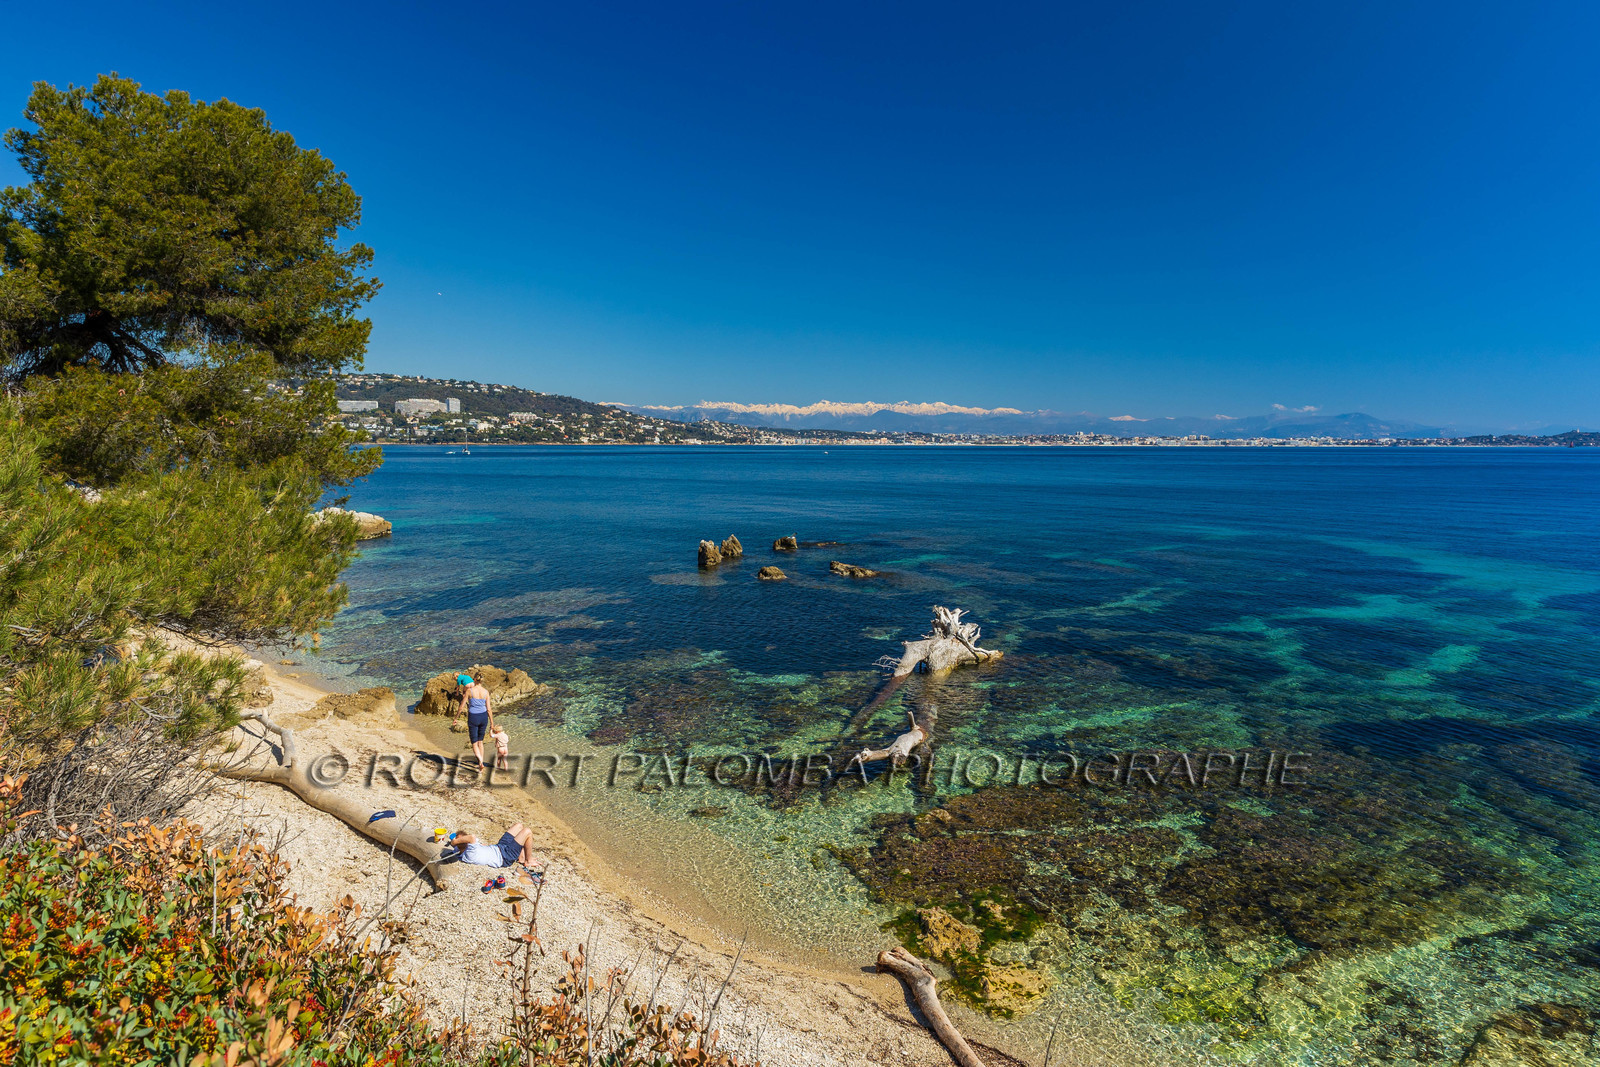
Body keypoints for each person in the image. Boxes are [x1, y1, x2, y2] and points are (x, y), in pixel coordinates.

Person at [445, 822, 542, 870]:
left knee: (519, 825)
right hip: (505, 857)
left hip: (499, 847)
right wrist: (454, 842)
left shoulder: (460, 849)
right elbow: (472, 837)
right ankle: (528, 860)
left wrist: (454, 842)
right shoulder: (470, 853)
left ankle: (521, 857)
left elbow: (470, 841)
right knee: (527, 832)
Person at [459, 672, 493, 771]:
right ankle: (480, 763)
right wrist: (492, 723)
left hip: (473, 717)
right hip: (483, 717)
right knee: (480, 742)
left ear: (474, 679)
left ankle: (480, 762)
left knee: (474, 742)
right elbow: (489, 709)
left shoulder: (469, 691)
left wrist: (456, 717)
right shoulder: (486, 692)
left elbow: (462, 706)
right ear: (482, 681)